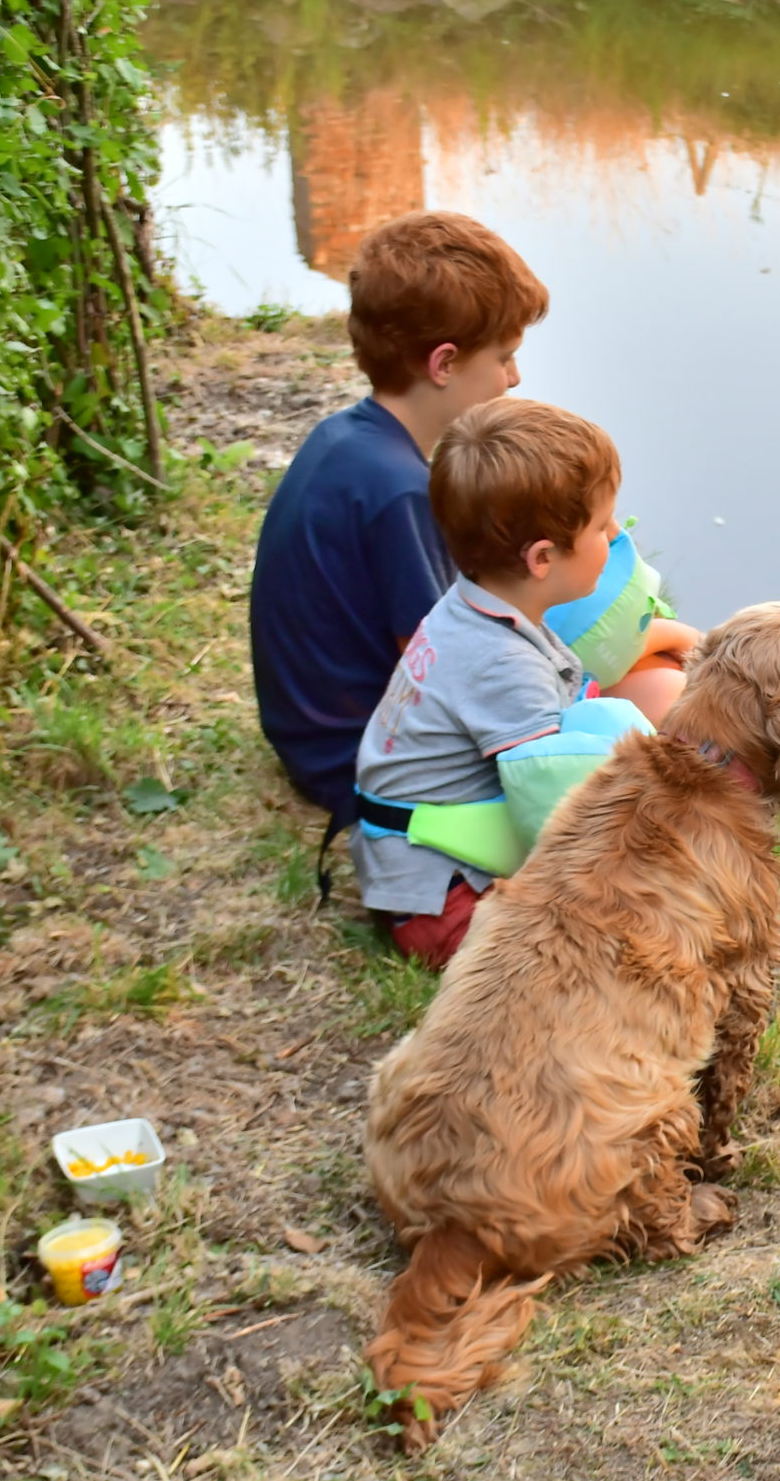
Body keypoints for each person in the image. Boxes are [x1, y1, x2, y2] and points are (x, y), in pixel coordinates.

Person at [249, 211, 549, 824]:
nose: (515, 377)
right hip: (355, 763)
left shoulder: (347, 438)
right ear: (443, 364)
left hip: (307, 736)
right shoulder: (401, 492)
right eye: (505, 357)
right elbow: (443, 663)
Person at [353, 397, 668, 967]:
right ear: (543, 558)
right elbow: (550, 811)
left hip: (407, 864)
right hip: (442, 901)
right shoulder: (502, 665)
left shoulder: (474, 607)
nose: (616, 533)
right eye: (601, 525)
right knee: (604, 958)